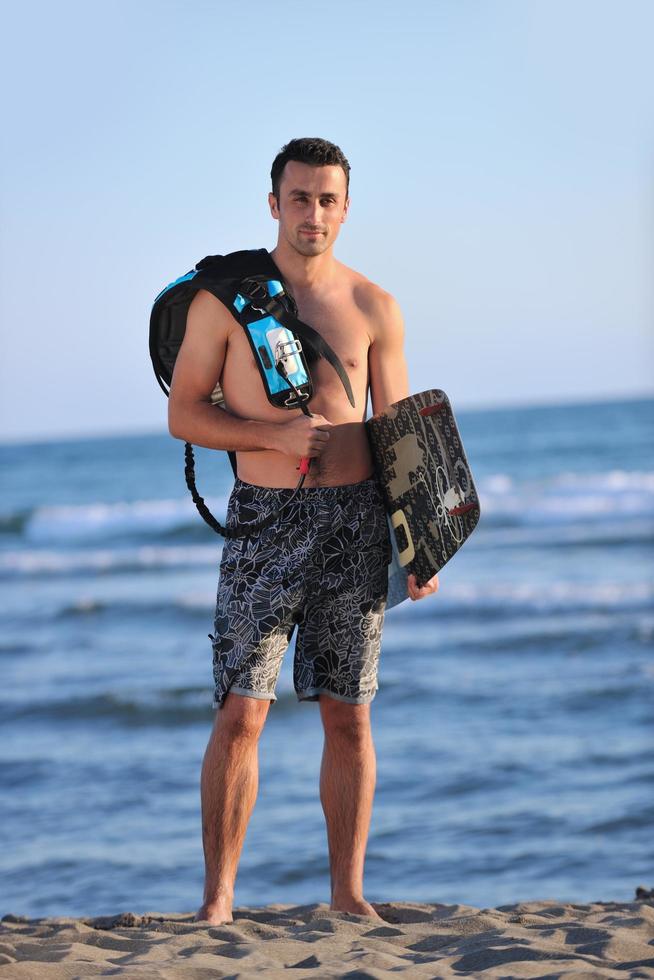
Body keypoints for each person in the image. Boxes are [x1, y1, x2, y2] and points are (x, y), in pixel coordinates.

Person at [167, 137, 440, 925]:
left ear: (345, 208)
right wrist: (272, 438)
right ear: (273, 203)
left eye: (327, 199)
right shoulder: (226, 300)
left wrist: (419, 540)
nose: (312, 212)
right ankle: (218, 900)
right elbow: (185, 411)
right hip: (264, 524)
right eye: (299, 197)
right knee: (241, 710)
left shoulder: (373, 307)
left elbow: (398, 429)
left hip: (355, 527)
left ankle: (348, 897)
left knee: (348, 714)